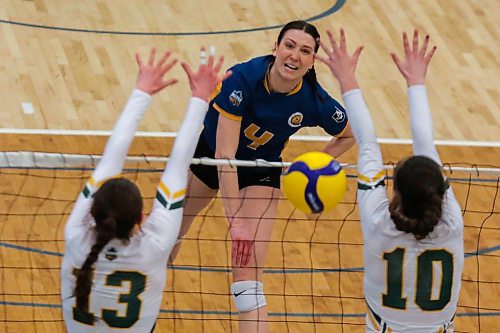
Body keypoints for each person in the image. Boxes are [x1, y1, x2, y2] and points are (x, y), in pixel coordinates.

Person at [171, 20, 355, 333]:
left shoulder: (314, 100)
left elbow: (350, 134)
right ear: (276, 48)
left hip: (261, 168)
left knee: (247, 275)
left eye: (305, 51)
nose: (295, 56)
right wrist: (236, 222)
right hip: (211, 155)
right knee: (167, 234)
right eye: (290, 45)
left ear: (312, 62)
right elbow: (225, 156)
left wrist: (315, 164)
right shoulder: (243, 79)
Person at [61, 47, 231, 332]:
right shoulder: (156, 246)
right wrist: (201, 98)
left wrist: (142, 92)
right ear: (141, 219)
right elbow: (179, 167)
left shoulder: (76, 236)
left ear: (92, 210)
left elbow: (109, 162)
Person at [317, 29, 463, 332]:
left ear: (395, 192)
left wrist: (346, 79)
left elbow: (367, 143)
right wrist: (416, 82)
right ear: (439, 192)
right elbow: (426, 147)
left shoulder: (379, 224)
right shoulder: (451, 222)